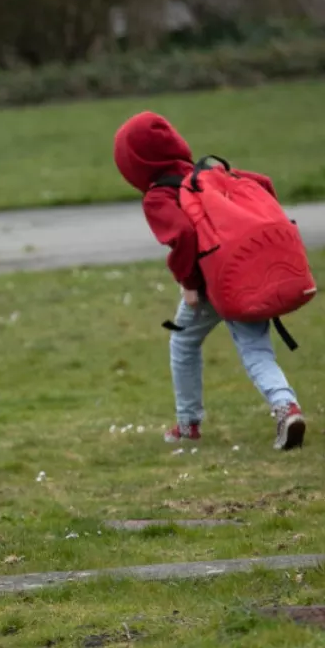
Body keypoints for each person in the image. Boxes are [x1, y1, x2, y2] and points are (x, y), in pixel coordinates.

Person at [113, 111, 305, 450]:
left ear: (135, 165)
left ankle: (190, 425)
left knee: (184, 344)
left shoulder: (159, 196)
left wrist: (189, 284)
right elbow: (262, 185)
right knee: (255, 349)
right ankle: (286, 408)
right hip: (250, 271)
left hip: (213, 285)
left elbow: (184, 235)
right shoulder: (209, 172)